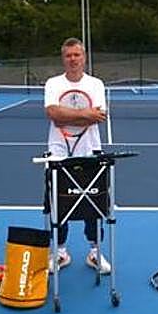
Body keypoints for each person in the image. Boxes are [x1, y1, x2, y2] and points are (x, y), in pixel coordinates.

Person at [43, 37, 111, 274]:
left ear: (84, 57)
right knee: (58, 204)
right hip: (58, 152)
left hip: (90, 152)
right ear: (63, 58)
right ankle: (60, 252)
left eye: (77, 55)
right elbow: (53, 113)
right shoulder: (53, 83)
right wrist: (85, 114)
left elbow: (99, 116)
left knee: (94, 204)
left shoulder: (96, 84)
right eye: (68, 55)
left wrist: (67, 115)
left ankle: (95, 252)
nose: (73, 59)